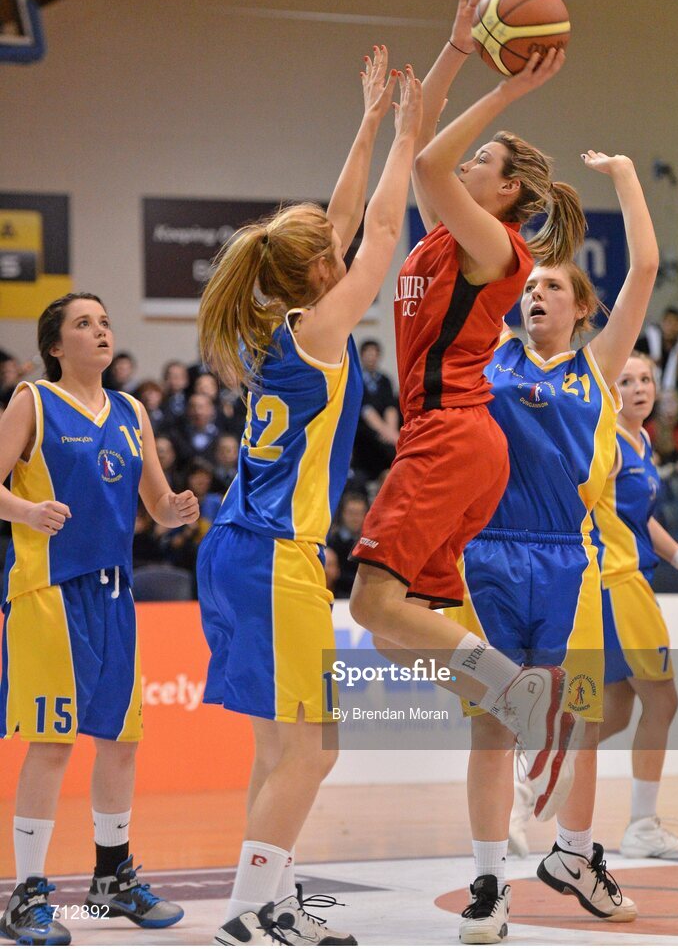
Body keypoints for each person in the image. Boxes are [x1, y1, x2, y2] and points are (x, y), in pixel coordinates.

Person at [349, 0, 585, 841]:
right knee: (389, 634)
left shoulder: (499, 248)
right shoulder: (445, 233)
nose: (467, 157)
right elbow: (422, 140)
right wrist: (457, 43)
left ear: (507, 191)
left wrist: (510, 86)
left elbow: (422, 160)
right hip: (448, 441)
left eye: (483, 159)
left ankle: (516, 690)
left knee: (372, 605)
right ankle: (506, 697)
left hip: (449, 436)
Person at [195, 49, 422, 947]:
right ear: (321, 271)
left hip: (241, 550)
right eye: (331, 251)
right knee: (314, 749)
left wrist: (367, 123)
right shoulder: (322, 329)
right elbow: (381, 227)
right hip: (269, 555)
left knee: (282, 748)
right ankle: (249, 909)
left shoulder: (282, 324)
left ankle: (270, 896)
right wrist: (406, 135)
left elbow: (337, 223)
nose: (341, 248)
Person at [440, 90, 659, 937]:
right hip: (489, 556)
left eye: (551, 289)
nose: (535, 296)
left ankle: (573, 853)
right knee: (493, 730)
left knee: (581, 720)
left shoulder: (596, 370)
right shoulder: (488, 354)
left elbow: (640, 267)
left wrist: (627, 177)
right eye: (528, 287)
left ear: (578, 308)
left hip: (567, 562)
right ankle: (488, 882)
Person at [0, 292, 199, 946]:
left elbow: (158, 505)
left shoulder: (133, 411)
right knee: (54, 743)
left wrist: (178, 508)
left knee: (121, 738)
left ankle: (112, 879)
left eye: (105, 322)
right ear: (56, 346)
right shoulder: (34, 401)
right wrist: (26, 513)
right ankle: (27, 896)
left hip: (116, 593)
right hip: (49, 591)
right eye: (84, 324)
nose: (101, 331)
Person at [594, 351, 678, 858]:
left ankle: (527, 769)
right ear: (610, 390)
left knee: (617, 712)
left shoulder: (642, 440)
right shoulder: (605, 441)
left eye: (646, 378)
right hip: (617, 581)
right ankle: (642, 827)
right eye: (626, 380)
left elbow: (641, 517)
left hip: (631, 578)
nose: (640, 388)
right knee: (663, 700)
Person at [352, 339, 400, 481]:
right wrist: (384, 432)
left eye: (374, 354)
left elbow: (390, 407)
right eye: (368, 354)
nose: (372, 357)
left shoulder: (385, 380)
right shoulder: (356, 379)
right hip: (366, 430)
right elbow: (366, 411)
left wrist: (392, 433)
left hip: (387, 430)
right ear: (361, 356)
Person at [635, 307, 678, 391]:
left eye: (676, 323)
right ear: (662, 322)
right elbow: (630, 357)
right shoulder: (647, 341)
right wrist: (647, 360)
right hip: (644, 387)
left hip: (668, 392)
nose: (672, 327)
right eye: (669, 322)